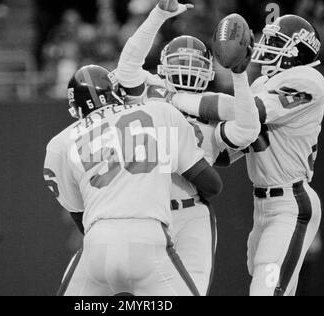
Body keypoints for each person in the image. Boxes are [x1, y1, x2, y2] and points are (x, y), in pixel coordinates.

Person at [172, 14, 324, 296]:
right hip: (263, 206)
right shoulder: (261, 85)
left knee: (266, 292)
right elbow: (226, 152)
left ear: (298, 49)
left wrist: (174, 98)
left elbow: (250, 112)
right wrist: (191, 135)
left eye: (275, 41)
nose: (265, 45)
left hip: (291, 202)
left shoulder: (308, 80)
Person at [113, 0, 260, 295]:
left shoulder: (168, 95)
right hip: (147, 212)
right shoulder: (152, 89)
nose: (186, 68)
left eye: (193, 64)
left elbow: (248, 127)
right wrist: (158, 15)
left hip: (190, 212)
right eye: (181, 63)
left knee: (191, 290)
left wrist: (240, 75)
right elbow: (127, 66)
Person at [44, 64, 223, 296]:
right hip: (148, 238)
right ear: (117, 92)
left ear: (76, 109)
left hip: (98, 244)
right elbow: (212, 185)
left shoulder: (59, 144)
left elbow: (80, 216)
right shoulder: (159, 112)